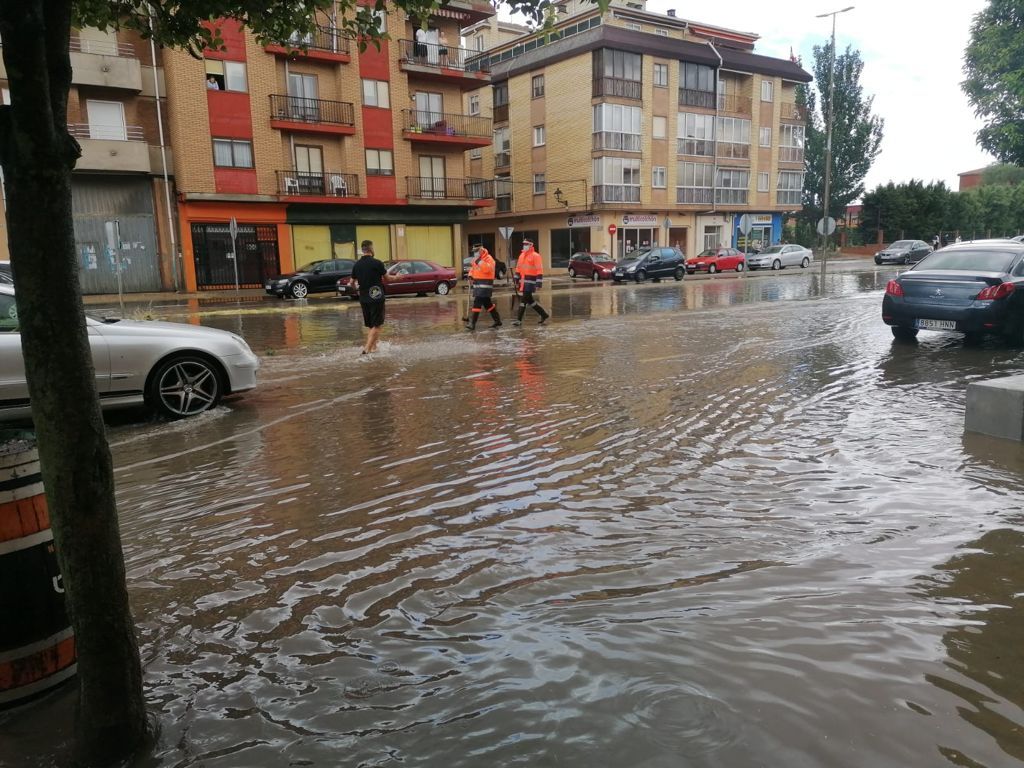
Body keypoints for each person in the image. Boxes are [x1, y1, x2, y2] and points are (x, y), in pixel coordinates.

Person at [350, 240, 387, 354]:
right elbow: (388, 278)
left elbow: (352, 282)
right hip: (376, 297)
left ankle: (374, 347)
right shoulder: (377, 263)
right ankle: (367, 349)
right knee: (377, 325)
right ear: (371, 249)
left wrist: (357, 291)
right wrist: (398, 277)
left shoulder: (357, 265)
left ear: (362, 250)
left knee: (371, 325)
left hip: (364, 298)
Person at [513, 238, 550, 326]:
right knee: (530, 301)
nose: (524, 246)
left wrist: (538, 283)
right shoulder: (521, 255)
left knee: (523, 300)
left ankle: (519, 320)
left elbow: (539, 270)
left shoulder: (536, 256)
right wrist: (516, 279)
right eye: (524, 244)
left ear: (531, 245)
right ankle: (544, 314)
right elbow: (518, 268)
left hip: (530, 282)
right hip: (523, 282)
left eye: (526, 244)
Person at [466, 244, 502, 331]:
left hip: (486, 285)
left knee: (477, 302)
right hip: (478, 284)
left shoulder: (489, 258)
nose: (475, 253)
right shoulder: (476, 259)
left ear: (481, 250)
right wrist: (470, 276)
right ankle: (498, 321)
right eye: (473, 252)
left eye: (476, 251)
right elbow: (473, 269)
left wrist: (479, 261)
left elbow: (487, 269)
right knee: (487, 303)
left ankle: (472, 323)